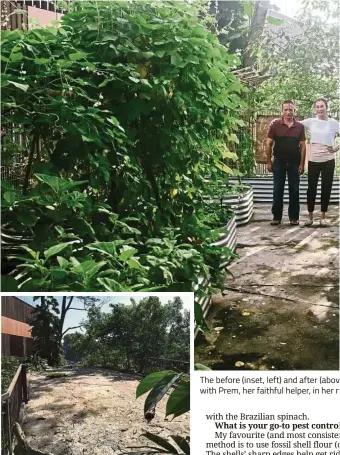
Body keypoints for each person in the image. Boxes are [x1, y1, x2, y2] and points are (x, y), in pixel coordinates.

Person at [299, 98, 340, 227]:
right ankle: (310, 217)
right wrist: (277, 121)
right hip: (313, 160)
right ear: (314, 109)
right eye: (317, 107)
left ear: (326, 107)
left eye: (322, 106)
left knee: (326, 188)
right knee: (311, 189)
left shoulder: (333, 123)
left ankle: (323, 217)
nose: (319, 109)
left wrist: (335, 148)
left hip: (328, 160)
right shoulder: (311, 121)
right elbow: (294, 123)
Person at [266, 100, 306, 226]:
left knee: (294, 190)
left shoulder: (299, 127)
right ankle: (276, 216)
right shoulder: (275, 125)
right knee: (278, 189)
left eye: (291, 110)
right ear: (282, 111)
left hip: (294, 163)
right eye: (286, 110)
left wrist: (302, 164)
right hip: (279, 163)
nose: (288, 112)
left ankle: (294, 217)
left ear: (295, 111)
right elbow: (268, 144)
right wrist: (268, 162)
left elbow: (303, 146)